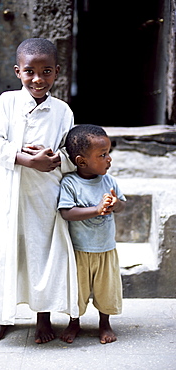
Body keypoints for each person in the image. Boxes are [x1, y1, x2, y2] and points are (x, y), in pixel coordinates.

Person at [0, 38, 79, 344]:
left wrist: (51, 160)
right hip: (12, 192)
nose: (38, 79)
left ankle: (43, 317)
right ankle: (1, 316)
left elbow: (70, 151)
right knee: (6, 253)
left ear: (57, 72)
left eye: (46, 71)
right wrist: (26, 159)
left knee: (43, 254)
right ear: (17, 71)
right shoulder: (7, 102)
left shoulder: (62, 110)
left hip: (46, 194)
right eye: (30, 72)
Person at [58, 124, 126, 344]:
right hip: (79, 250)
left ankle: (104, 324)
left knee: (106, 290)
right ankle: (74, 323)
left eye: (108, 154)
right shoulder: (70, 183)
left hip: (105, 249)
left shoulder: (109, 181)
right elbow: (67, 212)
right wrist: (96, 209)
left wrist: (115, 204)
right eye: (103, 155)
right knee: (77, 291)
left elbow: (123, 204)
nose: (109, 159)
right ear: (81, 161)